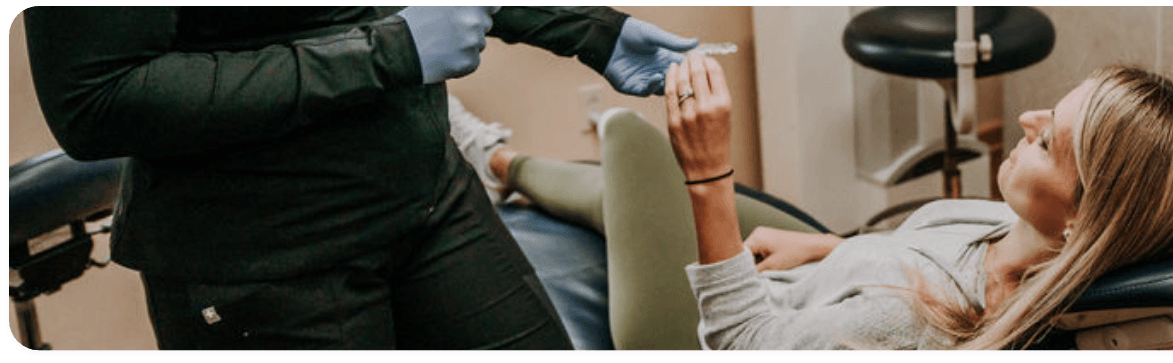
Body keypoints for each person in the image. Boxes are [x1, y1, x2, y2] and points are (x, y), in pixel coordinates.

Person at [449, 53, 1173, 350]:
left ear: (1085, 218)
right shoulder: (1021, 244)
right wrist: (831, 245)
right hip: (829, 271)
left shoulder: (915, 313)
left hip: (704, 328)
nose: (1030, 118)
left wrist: (709, 178)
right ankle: (502, 159)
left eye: (1052, 141)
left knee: (632, 143)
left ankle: (496, 156)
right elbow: (911, 246)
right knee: (628, 179)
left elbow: (742, 340)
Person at [24, 5, 697, 350]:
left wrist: (588, 31)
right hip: (267, 261)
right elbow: (96, 99)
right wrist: (386, 50)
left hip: (429, 197)